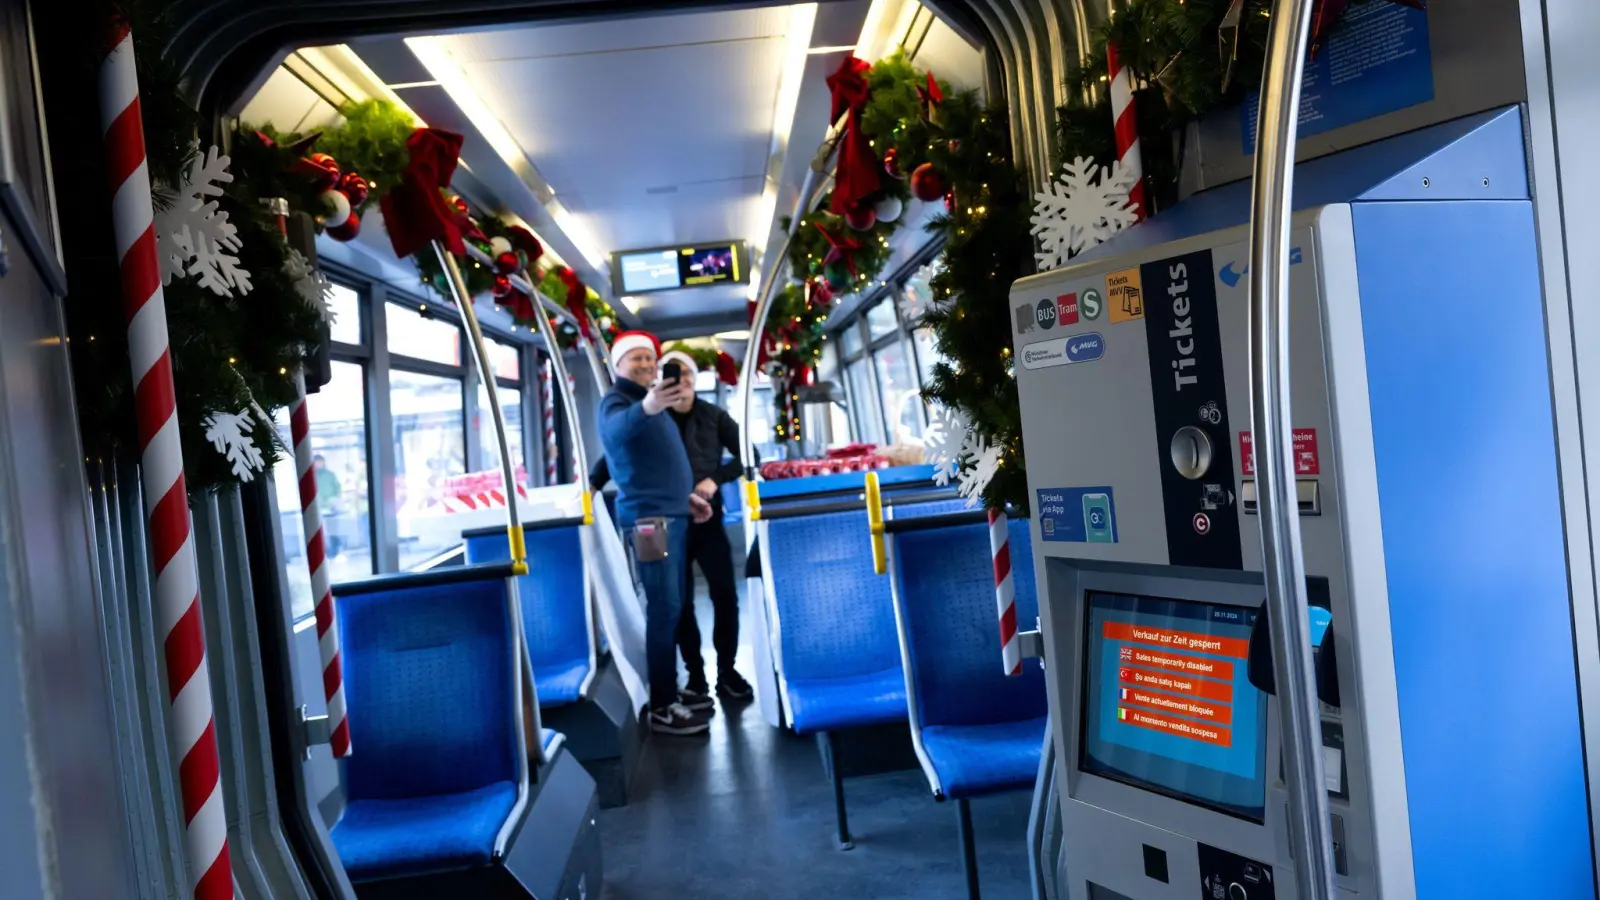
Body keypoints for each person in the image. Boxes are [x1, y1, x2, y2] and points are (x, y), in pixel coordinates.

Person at [590, 353, 754, 707]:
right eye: (674, 378)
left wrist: (716, 479)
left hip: (706, 518)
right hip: (667, 517)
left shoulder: (714, 416)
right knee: (676, 606)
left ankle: (727, 670)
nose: (681, 386)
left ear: (694, 382)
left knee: (724, 595)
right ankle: (694, 677)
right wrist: (589, 486)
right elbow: (615, 452)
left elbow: (747, 454)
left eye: (687, 379)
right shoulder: (651, 411)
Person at [598, 330, 716, 736]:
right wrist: (647, 407)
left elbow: (651, 463)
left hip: (669, 513)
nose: (646, 366)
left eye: (650, 359)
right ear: (617, 366)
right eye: (636, 360)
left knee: (674, 604)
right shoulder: (619, 401)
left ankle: (670, 688)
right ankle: (662, 706)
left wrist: (684, 497)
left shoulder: (653, 400)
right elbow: (614, 434)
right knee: (664, 609)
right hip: (650, 522)